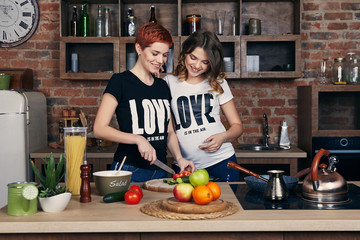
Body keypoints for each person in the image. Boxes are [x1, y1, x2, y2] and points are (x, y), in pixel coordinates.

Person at [93, 23, 195, 182]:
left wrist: (179, 158)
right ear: (139, 48)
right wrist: (138, 139)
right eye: (155, 53)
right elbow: (99, 129)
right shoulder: (120, 81)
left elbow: (169, 132)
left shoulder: (162, 86)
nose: (160, 60)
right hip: (128, 169)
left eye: (165, 55)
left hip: (160, 170)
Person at [164, 30, 243, 182]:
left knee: (225, 206)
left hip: (221, 162)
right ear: (184, 53)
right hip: (186, 166)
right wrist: (179, 158)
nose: (197, 65)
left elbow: (237, 126)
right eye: (193, 57)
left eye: (205, 62)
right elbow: (170, 131)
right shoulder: (169, 83)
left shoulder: (218, 82)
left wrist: (223, 137)